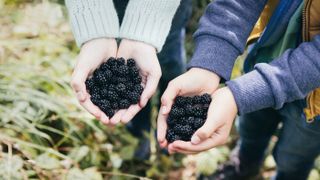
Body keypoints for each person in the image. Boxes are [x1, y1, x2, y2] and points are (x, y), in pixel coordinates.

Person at [157, 0, 320, 179]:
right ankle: (244, 165)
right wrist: (208, 65)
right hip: (260, 67)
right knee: (250, 131)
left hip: (315, 107)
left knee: (294, 159)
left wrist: (239, 96)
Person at [65, 0, 192, 159]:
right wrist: (95, 30)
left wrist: (148, 21)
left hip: (168, 10)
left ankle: (173, 129)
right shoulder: (120, 81)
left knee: (171, 67)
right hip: (111, 10)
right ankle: (140, 135)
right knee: (140, 91)